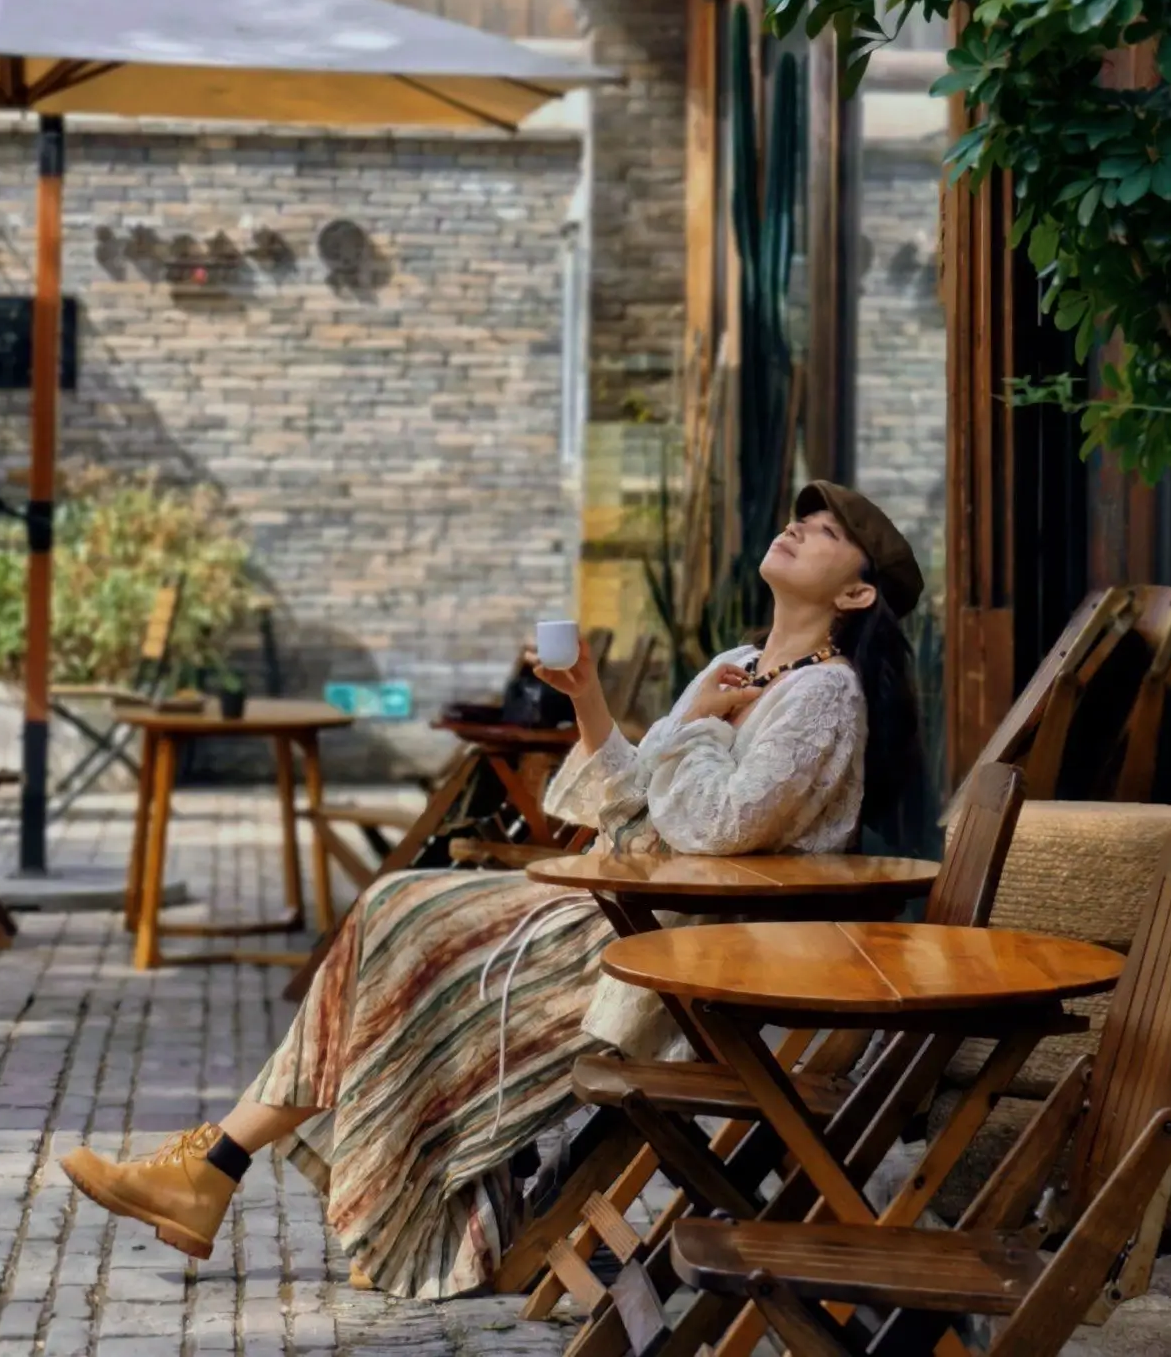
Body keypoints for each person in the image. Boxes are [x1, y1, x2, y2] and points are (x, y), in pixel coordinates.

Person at [58, 480, 924, 1299]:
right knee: (397, 906)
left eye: (830, 533)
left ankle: (221, 1173)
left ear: (854, 596)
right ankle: (210, 1170)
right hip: (627, 905)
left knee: (409, 921)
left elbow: (722, 827)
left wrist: (694, 727)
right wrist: (588, 694)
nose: (802, 528)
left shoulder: (825, 698)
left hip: (681, 946)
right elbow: (629, 794)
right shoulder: (738, 663)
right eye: (803, 518)